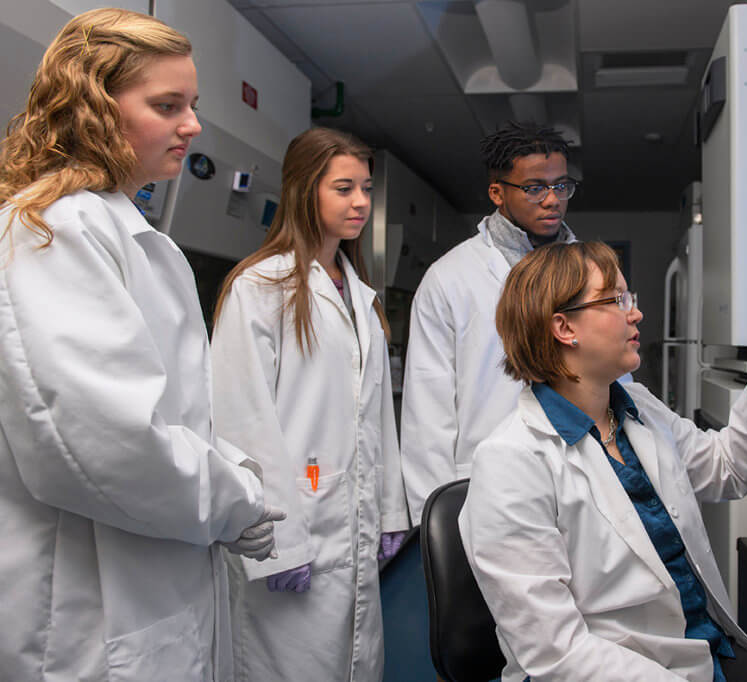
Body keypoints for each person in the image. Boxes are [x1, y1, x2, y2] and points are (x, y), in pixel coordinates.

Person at [0, 9, 282, 681]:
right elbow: (100, 442)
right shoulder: (52, 229)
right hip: (89, 612)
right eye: (167, 105)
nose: (193, 125)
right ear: (94, 107)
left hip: (156, 585)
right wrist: (234, 499)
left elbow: (172, 414)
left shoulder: (128, 232)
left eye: (192, 105)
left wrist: (234, 471)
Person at [459, 242, 747, 681]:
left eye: (632, 299)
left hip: (702, 652)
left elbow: (728, 470)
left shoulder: (638, 408)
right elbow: (557, 654)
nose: (636, 313)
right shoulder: (511, 461)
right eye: (616, 300)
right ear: (564, 327)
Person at [210, 127, 409, 681]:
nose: (362, 202)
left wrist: (391, 510)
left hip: (354, 525)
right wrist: (280, 543)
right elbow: (241, 420)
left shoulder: (359, 296)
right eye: (344, 188)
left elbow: (376, 417)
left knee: (355, 661)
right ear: (304, 191)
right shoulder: (259, 287)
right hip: (290, 527)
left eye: (366, 188)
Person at [402, 120, 581, 521]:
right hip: (488, 487)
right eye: (534, 188)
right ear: (497, 193)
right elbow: (427, 413)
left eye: (561, 186)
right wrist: (434, 523)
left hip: (581, 477)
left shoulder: (590, 271)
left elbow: (615, 378)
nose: (552, 200)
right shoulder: (449, 278)